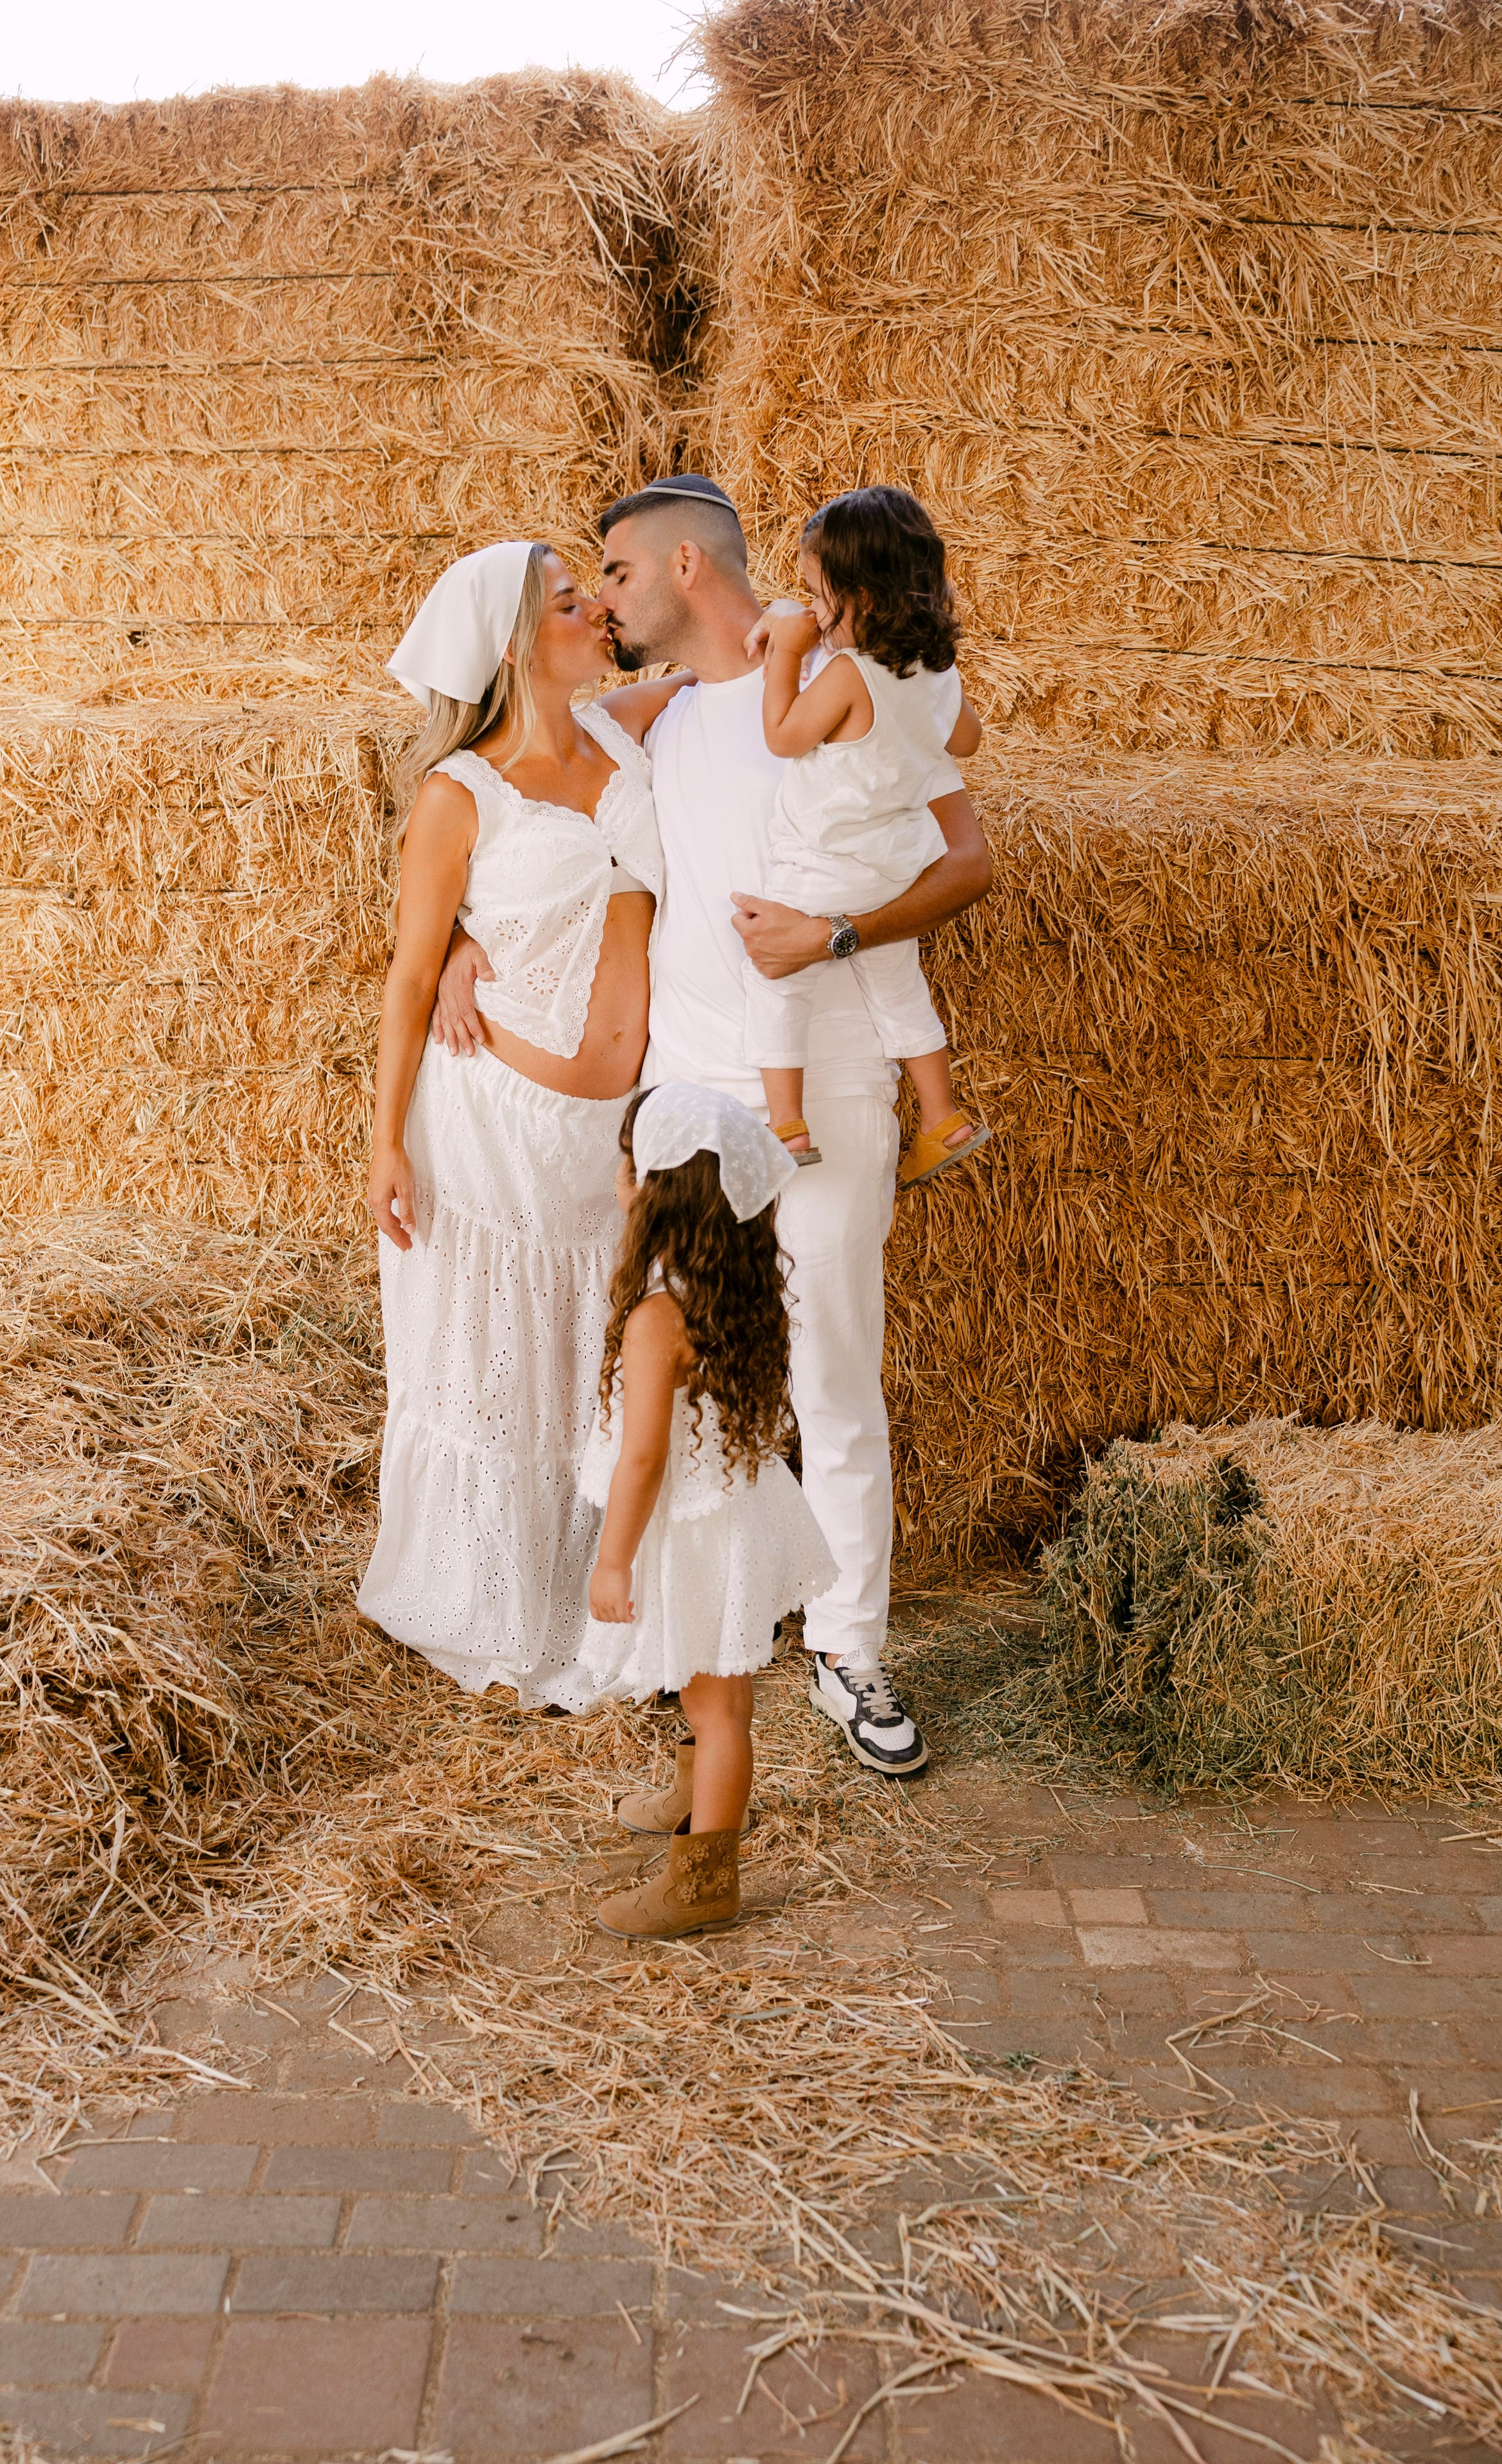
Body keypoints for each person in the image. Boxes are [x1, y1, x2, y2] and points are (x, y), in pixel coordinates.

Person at [433, 476, 994, 1779]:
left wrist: (834, 934)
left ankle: (850, 1649)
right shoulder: (654, 717)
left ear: (687, 566)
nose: (604, 604)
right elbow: (504, 791)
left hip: (828, 1084)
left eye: (618, 575)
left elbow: (967, 860)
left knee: (832, 1373)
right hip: (688, 1104)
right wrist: (462, 936)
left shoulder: (845, 683)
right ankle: (683, 1638)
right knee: (673, 1377)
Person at [358, 540, 668, 1704]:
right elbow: (407, 975)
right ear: (513, 643)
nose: (599, 613)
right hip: (490, 1126)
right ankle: (489, 1602)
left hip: (609, 1134)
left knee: (587, 1361)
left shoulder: (629, 735)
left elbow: (731, 658)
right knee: (499, 1367)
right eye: (572, 602)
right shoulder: (462, 792)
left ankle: (602, 1599)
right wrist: (386, 1140)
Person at [580, 1083, 838, 1940]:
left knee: (717, 1707)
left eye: (627, 1163)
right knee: (708, 1689)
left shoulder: (660, 1314)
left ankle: (704, 1883)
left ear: (656, 1191)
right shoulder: (731, 1285)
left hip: (701, 1531)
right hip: (730, 1515)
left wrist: (613, 1559)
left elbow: (645, 1458)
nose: (618, 1177)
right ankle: (697, 1798)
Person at [748, 486, 989, 1188]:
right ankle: (942, 1116)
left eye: (817, 597)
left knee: (775, 982)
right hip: (895, 869)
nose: (814, 615)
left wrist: (785, 653)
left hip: (823, 865)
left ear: (862, 596)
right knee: (898, 990)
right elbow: (966, 741)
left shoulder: (849, 673)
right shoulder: (935, 673)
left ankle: (786, 1125)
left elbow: (782, 736)